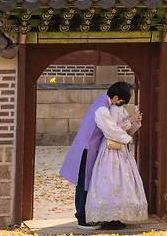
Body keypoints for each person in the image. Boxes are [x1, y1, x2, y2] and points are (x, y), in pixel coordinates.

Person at [59, 81, 144, 230]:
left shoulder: (103, 102)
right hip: (87, 148)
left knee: (89, 181)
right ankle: (82, 218)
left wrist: (130, 123)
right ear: (116, 97)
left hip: (91, 147)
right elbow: (111, 130)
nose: (121, 104)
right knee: (84, 183)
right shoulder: (102, 110)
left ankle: (87, 215)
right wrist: (127, 139)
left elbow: (115, 127)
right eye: (122, 100)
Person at [85, 93, 148, 229]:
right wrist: (129, 121)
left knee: (123, 181)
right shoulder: (109, 109)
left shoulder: (121, 109)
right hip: (110, 148)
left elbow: (126, 130)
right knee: (111, 180)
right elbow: (113, 129)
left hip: (122, 148)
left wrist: (135, 122)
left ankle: (119, 216)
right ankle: (110, 218)